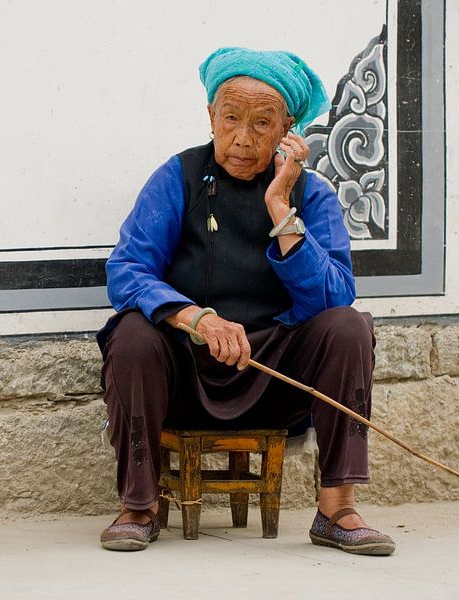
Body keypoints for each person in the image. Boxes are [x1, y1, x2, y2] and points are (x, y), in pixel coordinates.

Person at [97, 46, 395, 556]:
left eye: (262, 123)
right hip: (185, 370)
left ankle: (337, 507)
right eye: (230, 118)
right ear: (211, 115)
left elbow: (333, 295)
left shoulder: (310, 195)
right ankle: (139, 506)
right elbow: (127, 270)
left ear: (287, 131)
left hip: (273, 374)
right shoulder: (178, 177)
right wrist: (197, 319)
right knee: (131, 334)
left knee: (348, 326)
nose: (241, 137)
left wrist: (280, 209)